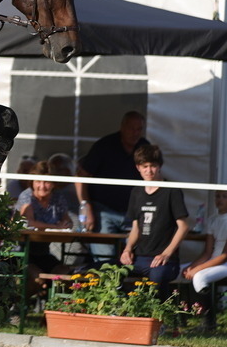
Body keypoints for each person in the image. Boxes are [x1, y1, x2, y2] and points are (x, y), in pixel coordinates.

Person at [76, 111, 150, 261]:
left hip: (133, 213)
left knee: (137, 257)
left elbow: (153, 179)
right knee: (104, 259)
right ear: (122, 127)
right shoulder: (104, 145)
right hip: (103, 211)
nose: (135, 133)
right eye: (131, 128)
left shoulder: (145, 147)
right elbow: (81, 176)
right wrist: (86, 206)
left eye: (139, 129)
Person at [119, 144, 189, 298]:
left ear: (160, 166)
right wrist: (128, 249)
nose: (149, 170)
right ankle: (120, 315)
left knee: (157, 280)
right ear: (138, 167)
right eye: (145, 166)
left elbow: (183, 226)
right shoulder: (136, 191)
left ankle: (161, 319)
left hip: (165, 260)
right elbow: (136, 227)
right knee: (110, 273)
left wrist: (166, 254)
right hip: (139, 257)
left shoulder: (172, 190)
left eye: (153, 166)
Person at [182, 189, 227, 332]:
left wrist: (198, 269)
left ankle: (209, 322)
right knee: (180, 270)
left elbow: (224, 256)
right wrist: (191, 266)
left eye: (224, 196)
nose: (220, 199)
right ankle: (181, 317)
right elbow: (208, 252)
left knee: (199, 277)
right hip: (214, 260)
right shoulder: (212, 220)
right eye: (217, 196)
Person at [17, 161, 73, 297]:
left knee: (66, 274)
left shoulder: (58, 197)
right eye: (38, 181)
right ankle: (17, 308)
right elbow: (29, 222)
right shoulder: (27, 196)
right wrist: (55, 227)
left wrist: (65, 225)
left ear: (54, 183)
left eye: (47, 182)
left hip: (43, 253)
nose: (42, 186)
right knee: (37, 278)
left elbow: (68, 221)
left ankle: (55, 310)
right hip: (21, 254)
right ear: (32, 182)